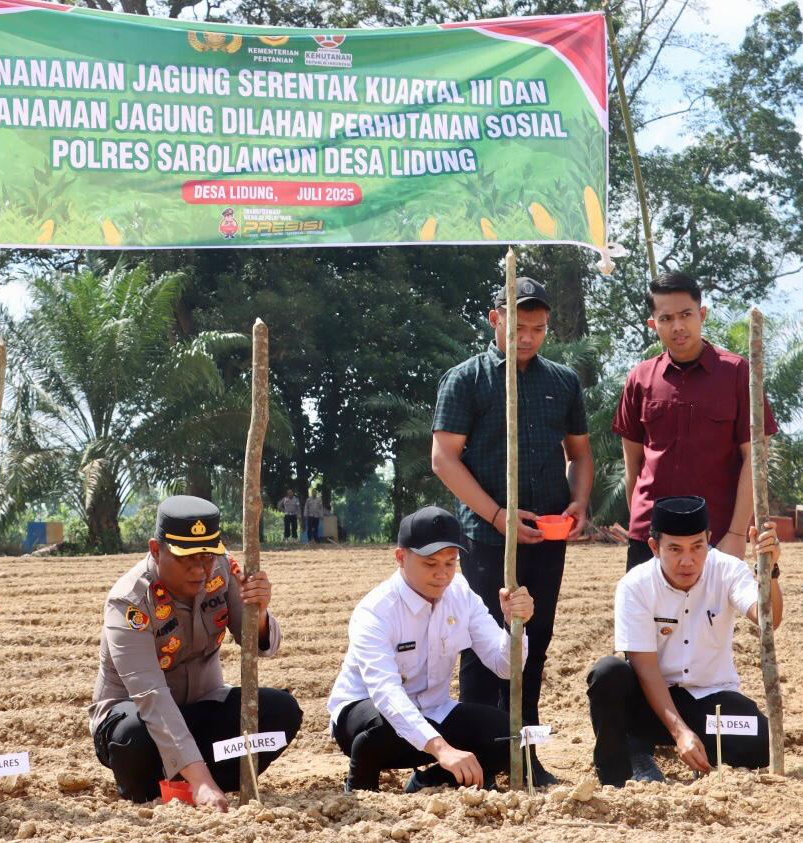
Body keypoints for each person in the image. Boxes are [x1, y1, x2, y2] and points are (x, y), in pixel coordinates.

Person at [431, 277, 593, 786]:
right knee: (482, 644)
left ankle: (526, 755)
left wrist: (579, 501)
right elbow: (443, 459)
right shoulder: (466, 380)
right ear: (494, 318)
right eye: (518, 326)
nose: (527, 337)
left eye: (538, 329)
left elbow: (580, 453)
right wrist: (498, 516)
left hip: (546, 537)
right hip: (485, 539)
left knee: (534, 643)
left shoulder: (562, 382)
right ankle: (478, 758)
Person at [89, 495, 303, 810]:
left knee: (280, 710)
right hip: (140, 718)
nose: (200, 569)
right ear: (155, 550)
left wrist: (259, 611)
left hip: (202, 709)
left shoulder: (222, 569)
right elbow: (151, 696)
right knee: (134, 737)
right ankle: (185, 782)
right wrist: (201, 781)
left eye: (206, 556)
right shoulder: (130, 601)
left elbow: (260, 646)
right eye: (186, 558)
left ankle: (196, 777)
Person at [328, 506, 533, 792]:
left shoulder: (461, 594)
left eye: (450, 563)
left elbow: (506, 667)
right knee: (382, 726)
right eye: (430, 563)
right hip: (368, 715)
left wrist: (514, 625)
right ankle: (359, 789)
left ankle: (428, 782)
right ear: (401, 557)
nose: (442, 574)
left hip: (434, 710)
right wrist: (441, 748)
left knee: (511, 735)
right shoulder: (375, 610)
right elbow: (385, 692)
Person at [586, 496, 782, 785]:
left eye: (697, 547)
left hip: (710, 702)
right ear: (655, 547)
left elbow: (769, 619)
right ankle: (627, 761)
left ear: (709, 540)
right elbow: (646, 668)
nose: (688, 561)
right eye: (675, 549)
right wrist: (680, 732)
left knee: (760, 739)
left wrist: (770, 572)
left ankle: (701, 751)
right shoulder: (635, 586)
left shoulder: (728, 570)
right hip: (651, 701)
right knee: (608, 674)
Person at [614, 272, 778, 571]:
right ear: (653, 324)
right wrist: (640, 523)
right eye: (666, 319)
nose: (677, 326)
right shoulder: (640, 378)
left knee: (717, 607)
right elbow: (633, 464)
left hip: (715, 537)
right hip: (650, 539)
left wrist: (736, 534)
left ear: (702, 314)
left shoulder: (738, 374)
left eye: (686, 314)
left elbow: (755, 459)